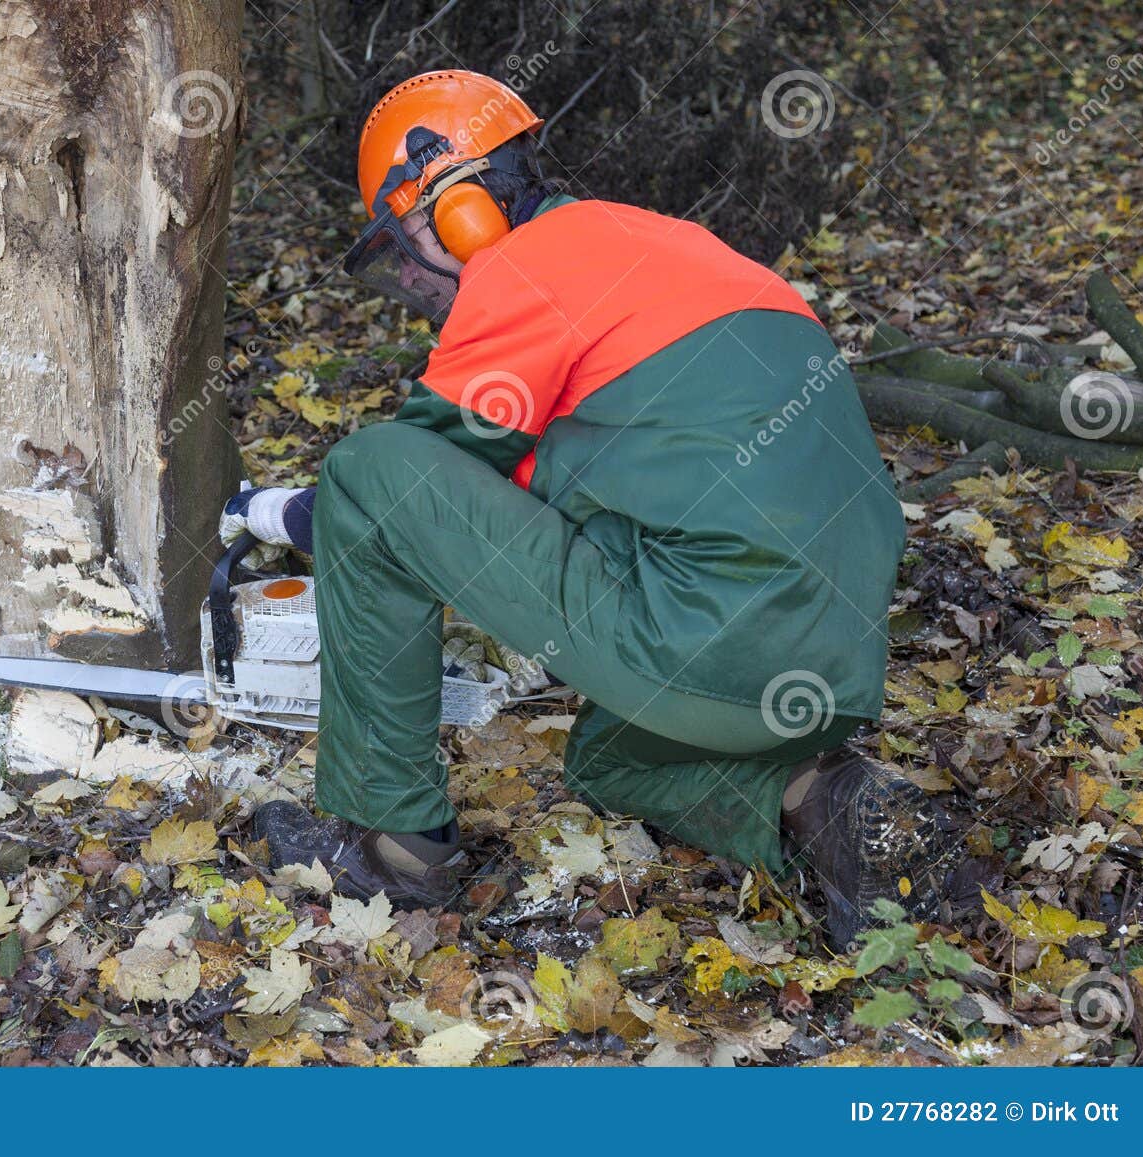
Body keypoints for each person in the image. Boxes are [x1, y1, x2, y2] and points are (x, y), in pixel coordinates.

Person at [219, 70, 956, 947]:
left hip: (704, 631)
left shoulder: (526, 266)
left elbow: (404, 483)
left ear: (452, 209)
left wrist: (268, 511)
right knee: (607, 758)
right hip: (829, 664)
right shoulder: (667, 245)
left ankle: (391, 851)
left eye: (405, 241)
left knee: (365, 469)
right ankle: (825, 796)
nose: (413, 278)